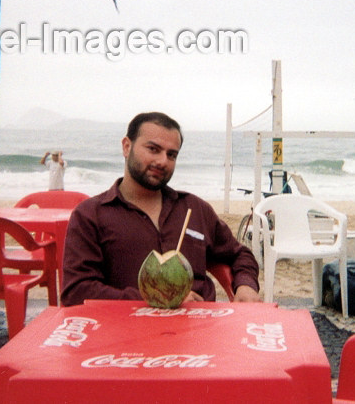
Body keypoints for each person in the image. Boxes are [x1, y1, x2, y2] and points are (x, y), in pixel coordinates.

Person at [61, 112, 261, 306]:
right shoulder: (91, 215)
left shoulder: (194, 209)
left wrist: (245, 285)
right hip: (126, 330)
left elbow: (239, 254)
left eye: (171, 155)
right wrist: (157, 299)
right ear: (126, 147)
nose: (163, 161)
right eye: (153, 149)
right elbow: (77, 292)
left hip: (197, 328)